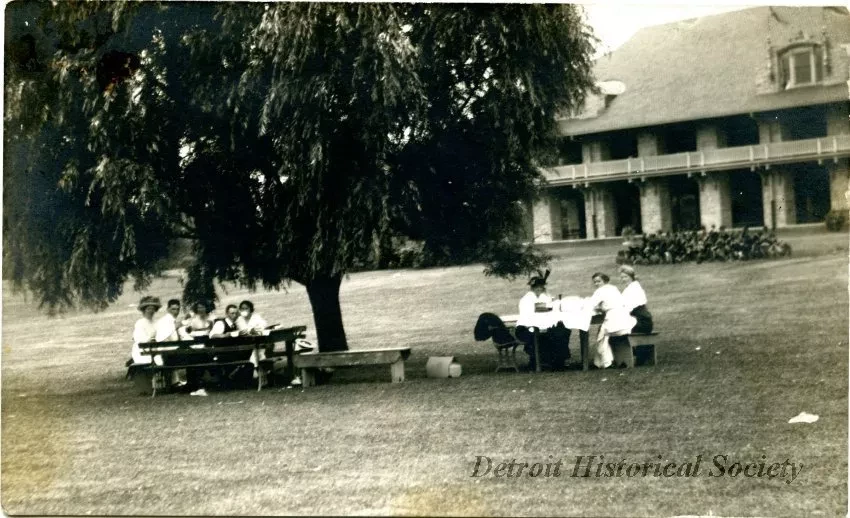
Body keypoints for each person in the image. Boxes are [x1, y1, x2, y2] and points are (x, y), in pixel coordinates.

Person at [515, 270, 571, 370]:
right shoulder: (526, 299)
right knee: (544, 335)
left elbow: (551, 308)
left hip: (544, 325)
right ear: (532, 288)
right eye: (537, 287)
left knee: (562, 331)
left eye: (541, 287)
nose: (540, 289)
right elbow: (527, 316)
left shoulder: (546, 296)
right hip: (527, 327)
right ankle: (539, 361)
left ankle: (558, 361)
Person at [588, 272, 636, 369]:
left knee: (601, 337)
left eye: (599, 281)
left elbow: (590, 304)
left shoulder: (600, 291)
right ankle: (601, 362)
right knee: (601, 333)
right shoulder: (613, 288)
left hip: (615, 321)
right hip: (625, 319)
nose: (597, 284)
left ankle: (607, 363)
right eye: (595, 282)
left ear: (605, 281)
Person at [618, 265, 654, 334]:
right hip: (637, 320)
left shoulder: (634, 288)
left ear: (631, 277)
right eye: (622, 277)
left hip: (641, 322)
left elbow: (628, 308)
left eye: (626, 277)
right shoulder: (630, 287)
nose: (623, 279)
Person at [130, 296, 161, 365]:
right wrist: (151, 337)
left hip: (155, 349)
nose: (151, 311)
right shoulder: (140, 323)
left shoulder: (157, 323)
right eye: (149, 309)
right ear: (144, 310)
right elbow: (139, 339)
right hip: (142, 351)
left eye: (153, 309)